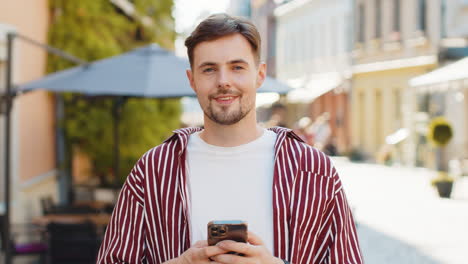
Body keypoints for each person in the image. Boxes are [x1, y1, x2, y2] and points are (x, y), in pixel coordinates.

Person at [96, 13, 363, 264]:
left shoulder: (312, 169)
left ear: (259, 75)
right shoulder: (154, 170)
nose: (224, 81)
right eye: (209, 69)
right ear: (192, 80)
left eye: (237, 67)